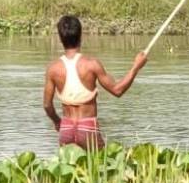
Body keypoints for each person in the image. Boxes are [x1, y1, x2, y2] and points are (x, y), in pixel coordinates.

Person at [43, 15, 148, 149]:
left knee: (69, 167)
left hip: (66, 128)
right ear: (81, 36)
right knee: (100, 167)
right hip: (87, 128)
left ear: (60, 38)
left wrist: (57, 122)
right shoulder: (92, 65)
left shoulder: (53, 69)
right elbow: (117, 90)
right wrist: (136, 67)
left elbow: (47, 105)